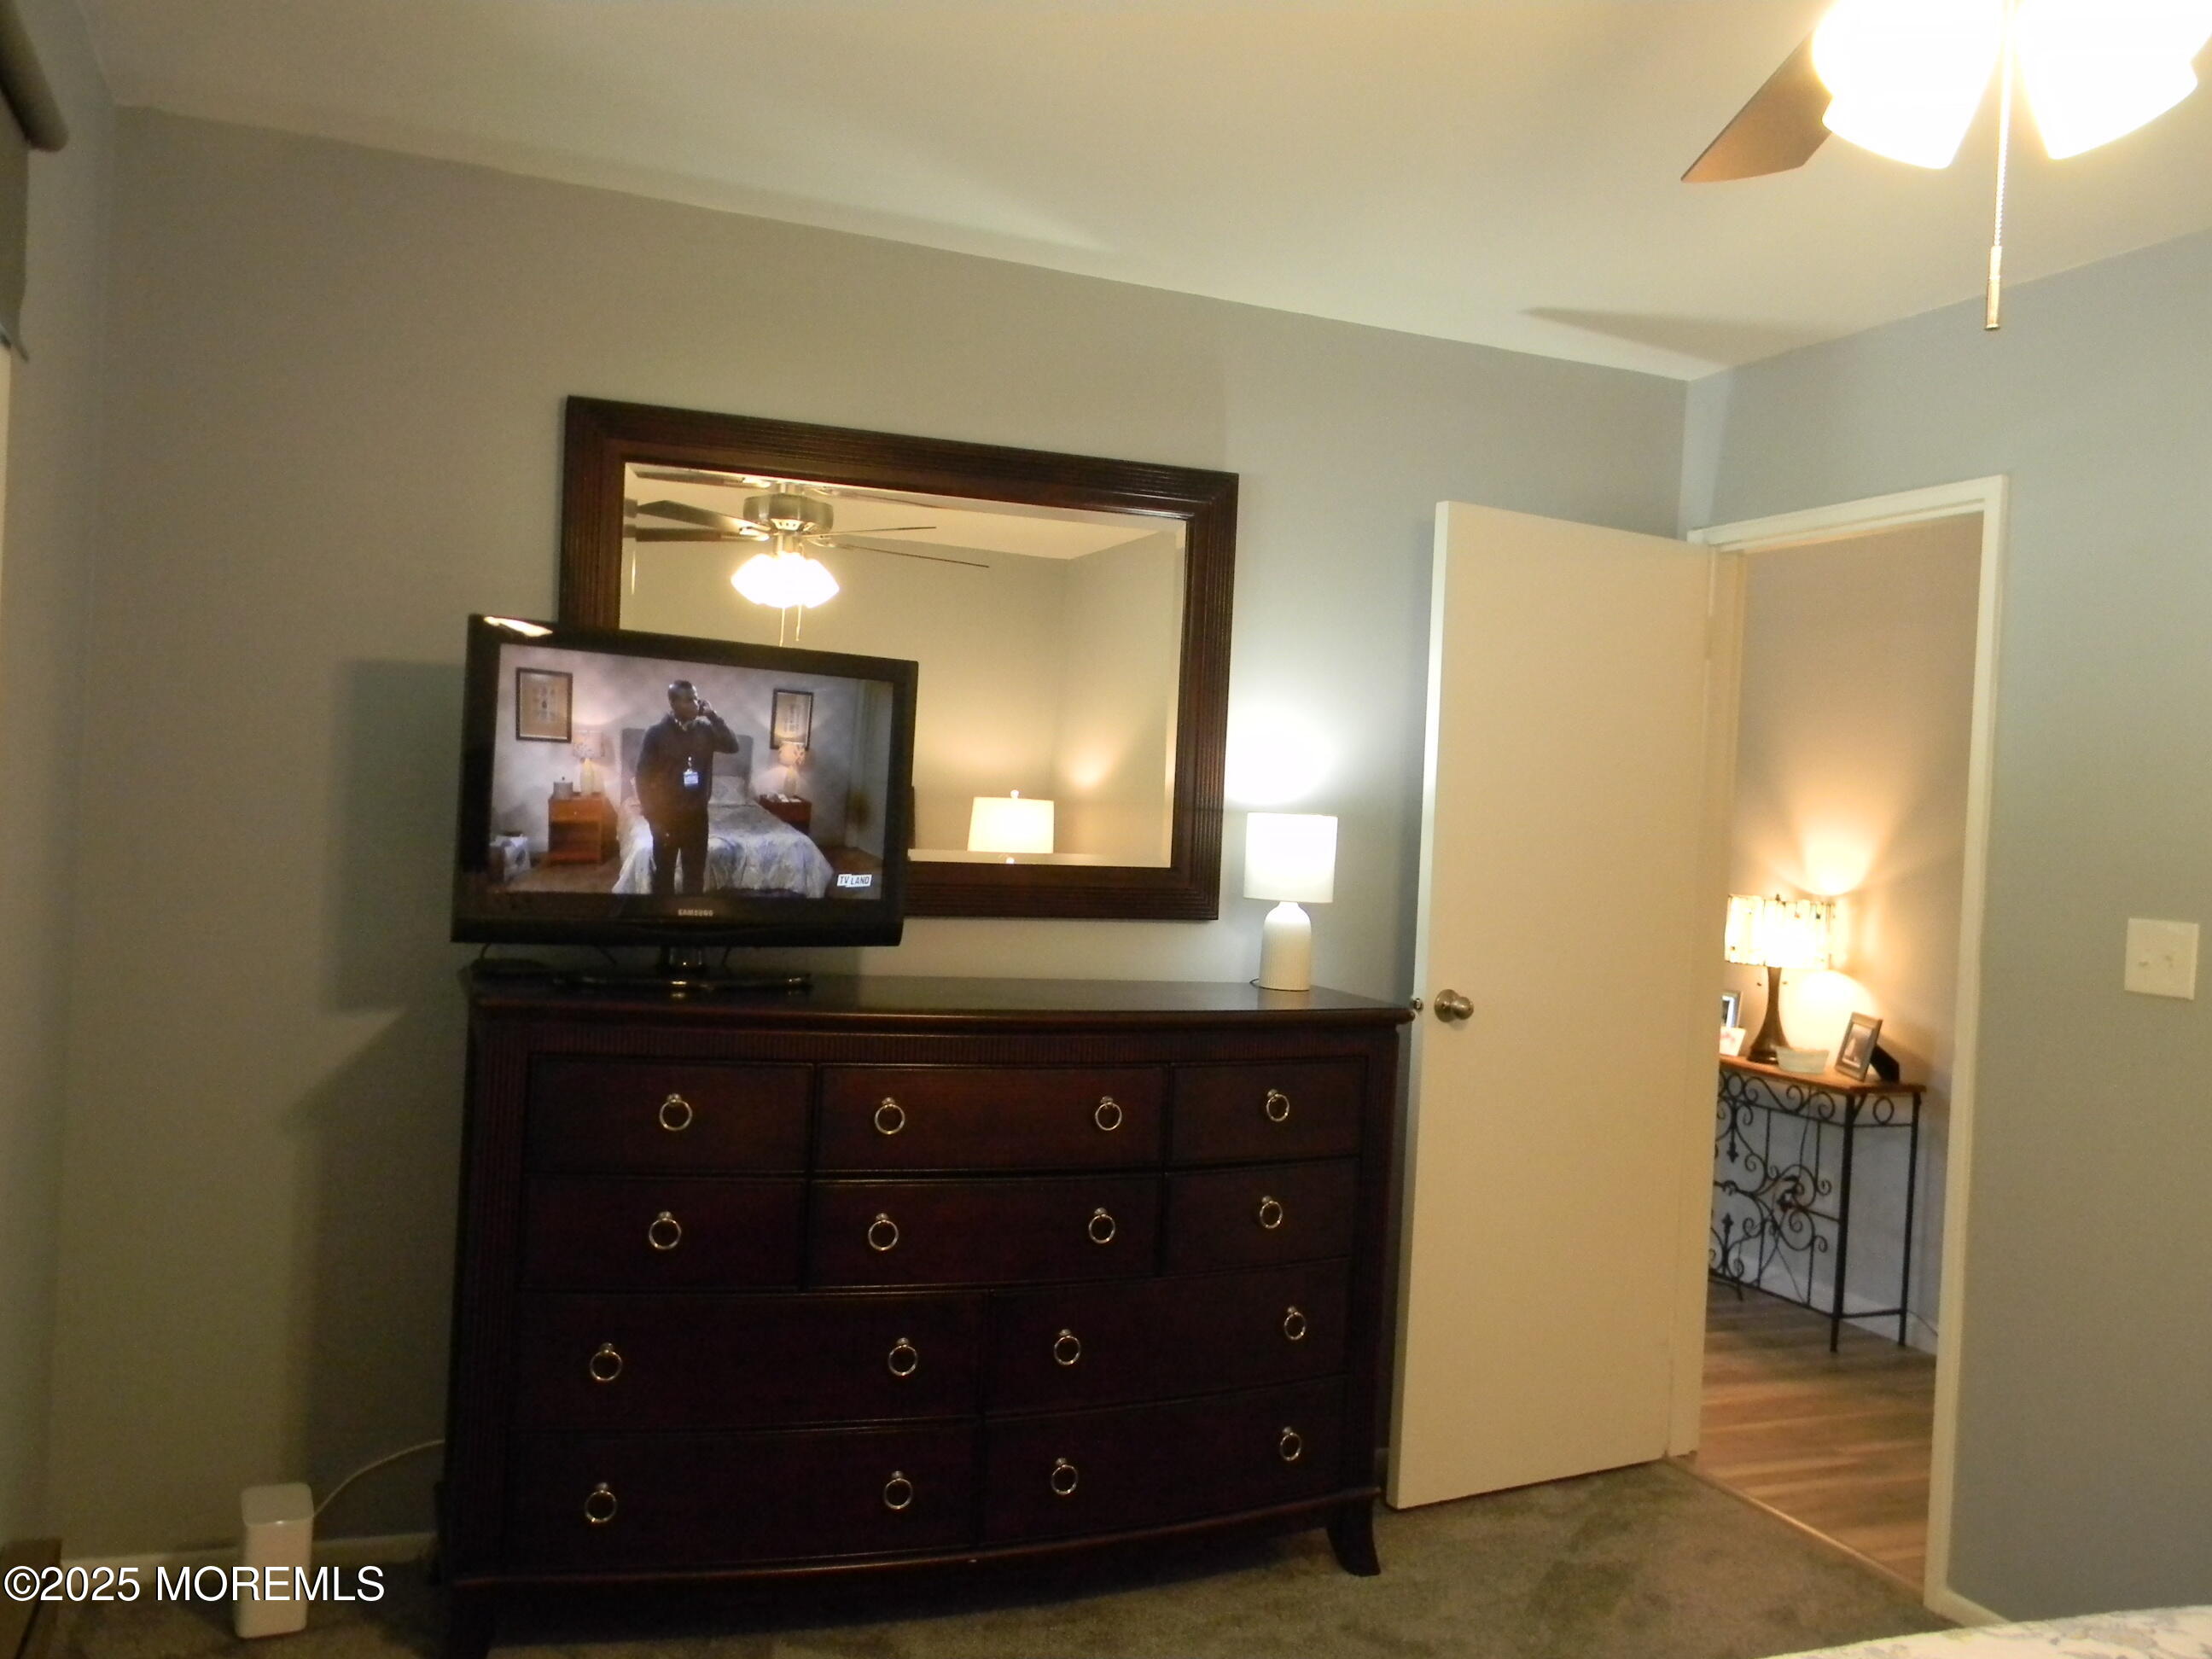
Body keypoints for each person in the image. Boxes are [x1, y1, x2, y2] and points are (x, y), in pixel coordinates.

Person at [632, 680, 738, 895]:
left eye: (696, 698)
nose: (695, 704)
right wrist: (654, 821)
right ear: (673, 702)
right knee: (664, 877)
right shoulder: (656, 734)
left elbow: (732, 746)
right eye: (689, 699)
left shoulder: (706, 731)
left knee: (694, 877)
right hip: (666, 818)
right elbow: (643, 778)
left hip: (697, 818)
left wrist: (713, 716)